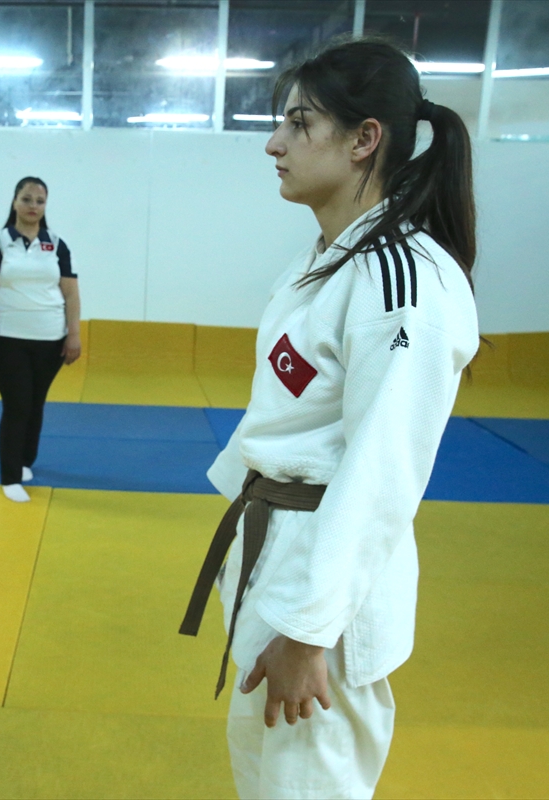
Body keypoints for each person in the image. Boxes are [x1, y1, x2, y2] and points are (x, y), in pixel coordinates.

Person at [179, 38, 479, 799]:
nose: (274, 144)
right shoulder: (329, 259)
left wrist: (310, 631)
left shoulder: (402, 281)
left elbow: (385, 468)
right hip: (281, 556)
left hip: (326, 597)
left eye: (299, 123)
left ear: (364, 139)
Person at [0, 176, 82, 502]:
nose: (33, 205)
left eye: (39, 200)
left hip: (51, 340)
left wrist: (74, 334)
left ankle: (23, 463)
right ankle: (9, 478)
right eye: (26, 199)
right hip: (7, 340)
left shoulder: (57, 244)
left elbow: (71, 292)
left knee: (35, 404)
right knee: (17, 405)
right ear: (14, 202)